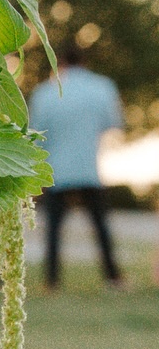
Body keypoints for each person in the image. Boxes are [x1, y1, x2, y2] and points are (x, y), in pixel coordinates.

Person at [27, 40, 125, 289]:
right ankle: (113, 278)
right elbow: (113, 123)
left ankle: (51, 281)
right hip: (87, 168)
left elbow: (35, 133)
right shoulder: (102, 87)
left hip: (55, 170)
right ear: (84, 61)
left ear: (60, 62)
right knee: (100, 226)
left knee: (53, 230)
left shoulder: (44, 93)